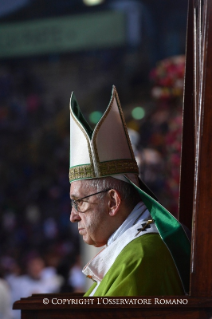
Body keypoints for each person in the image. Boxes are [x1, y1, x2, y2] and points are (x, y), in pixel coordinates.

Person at [69, 86, 190, 297]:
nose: (73, 216)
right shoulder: (133, 249)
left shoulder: (140, 255)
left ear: (113, 202)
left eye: (79, 202)